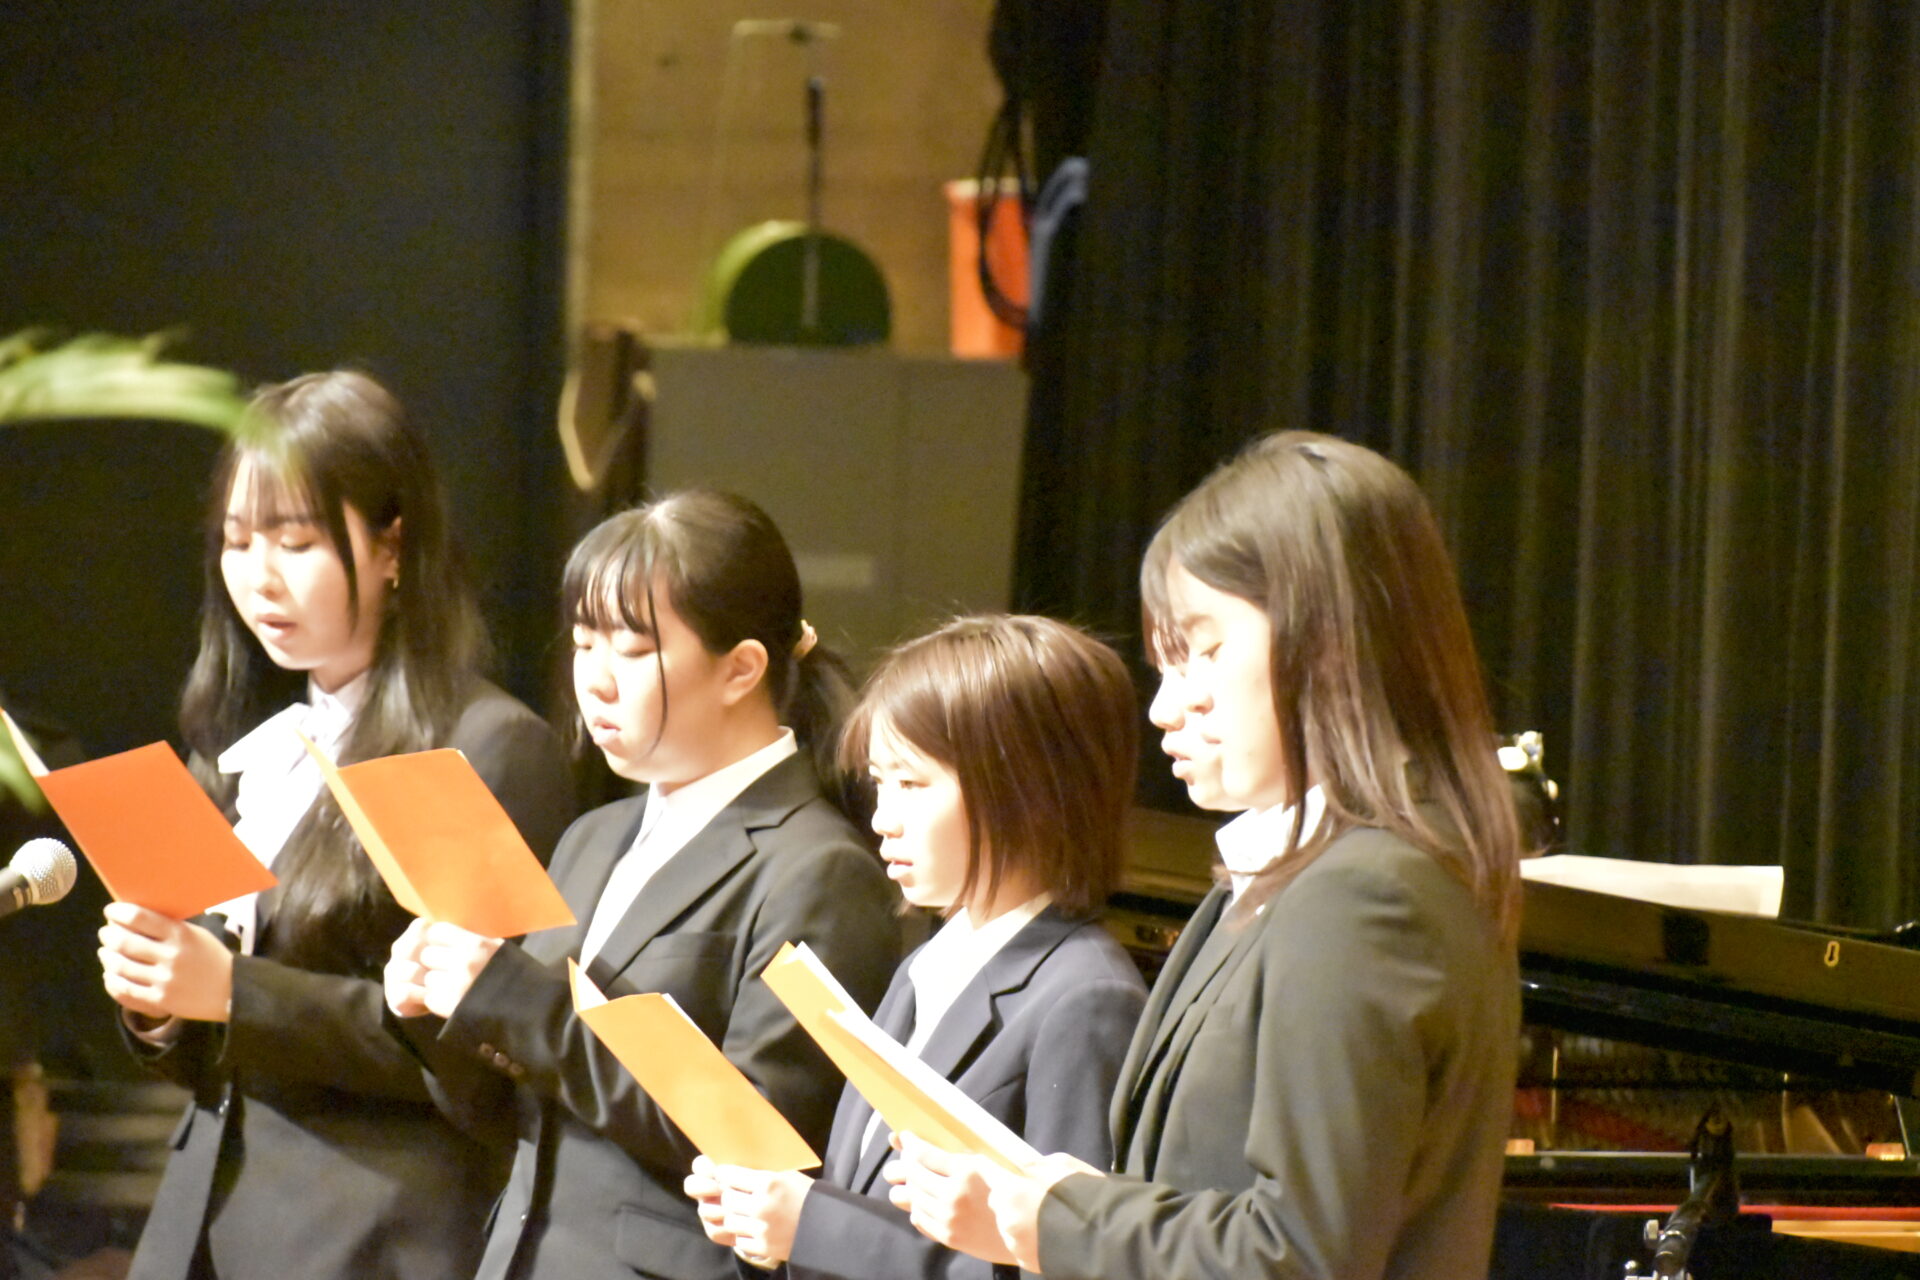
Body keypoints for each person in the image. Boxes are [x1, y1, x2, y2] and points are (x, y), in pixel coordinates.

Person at [888, 431, 1524, 1280]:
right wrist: (1058, 1201)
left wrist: (1051, 1219)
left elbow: (1299, 1255)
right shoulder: (1308, 878)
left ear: (1325, 639)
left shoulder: (1363, 893)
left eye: (1204, 652)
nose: (1166, 708)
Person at [91, 370, 577, 1280]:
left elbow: (474, 1055)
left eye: (296, 541)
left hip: (369, 1234)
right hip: (203, 1223)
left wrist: (234, 990)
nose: (259, 577)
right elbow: (210, 1042)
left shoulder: (484, 746)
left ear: (392, 545)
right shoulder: (241, 744)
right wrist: (158, 1003)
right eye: (237, 541)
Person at [385, 490, 901, 1280]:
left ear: (741, 669)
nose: (593, 680)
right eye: (583, 643)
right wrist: (436, 1011)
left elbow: (761, 1140)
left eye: (631, 649)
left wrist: (515, 1001)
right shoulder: (593, 837)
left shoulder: (819, 869)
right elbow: (511, 1113)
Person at [684, 614, 1148, 1279]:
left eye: (912, 784)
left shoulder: (1086, 996)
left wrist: (811, 1224)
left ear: (1024, 789)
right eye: (880, 783)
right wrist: (770, 1222)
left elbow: (1064, 1263)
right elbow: (866, 1196)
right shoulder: (927, 962)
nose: (882, 818)